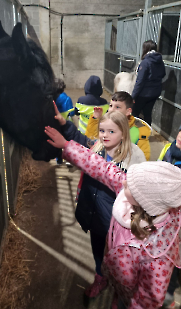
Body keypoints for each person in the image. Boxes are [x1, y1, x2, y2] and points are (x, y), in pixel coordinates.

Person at [43, 131, 181, 309]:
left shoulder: (158, 255)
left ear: (145, 201)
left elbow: (149, 299)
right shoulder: (134, 196)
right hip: (119, 274)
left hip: (132, 295)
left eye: (130, 185)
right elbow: (103, 168)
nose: (123, 182)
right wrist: (67, 146)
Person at [45, 108, 146, 300]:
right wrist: (64, 124)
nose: (105, 136)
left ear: (123, 132)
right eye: (102, 130)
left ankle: (120, 289)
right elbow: (81, 142)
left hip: (117, 221)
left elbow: (134, 189)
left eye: (111, 131)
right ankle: (100, 277)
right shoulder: (97, 147)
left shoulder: (134, 157)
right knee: (97, 248)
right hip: (95, 213)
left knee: (119, 258)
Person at [85, 91, 151, 160]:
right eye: (110, 106)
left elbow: (143, 158)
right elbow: (91, 142)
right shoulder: (104, 122)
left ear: (128, 111)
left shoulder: (139, 131)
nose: (112, 110)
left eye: (117, 107)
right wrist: (95, 120)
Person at [158, 125, 181, 308]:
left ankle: (170, 291)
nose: (180, 136)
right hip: (166, 212)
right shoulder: (169, 148)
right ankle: (167, 291)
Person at [132, 40, 166, 126]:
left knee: (134, 113)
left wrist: (133, 96)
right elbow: (163, 74)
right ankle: (146, 134)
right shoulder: (160, 61)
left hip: (144, 93)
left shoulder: (145, 62)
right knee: (147, 113)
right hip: (155, 92)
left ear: (145, 49)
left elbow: (140, 81)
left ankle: (133, 134)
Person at [55, 79, 74, 164]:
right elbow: (72, 112)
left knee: (57, 140)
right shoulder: (67, 99)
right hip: (65, 123)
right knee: (67, 141)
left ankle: (58, 159)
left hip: (55, 123)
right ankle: (68, 160)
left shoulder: (51, 99)